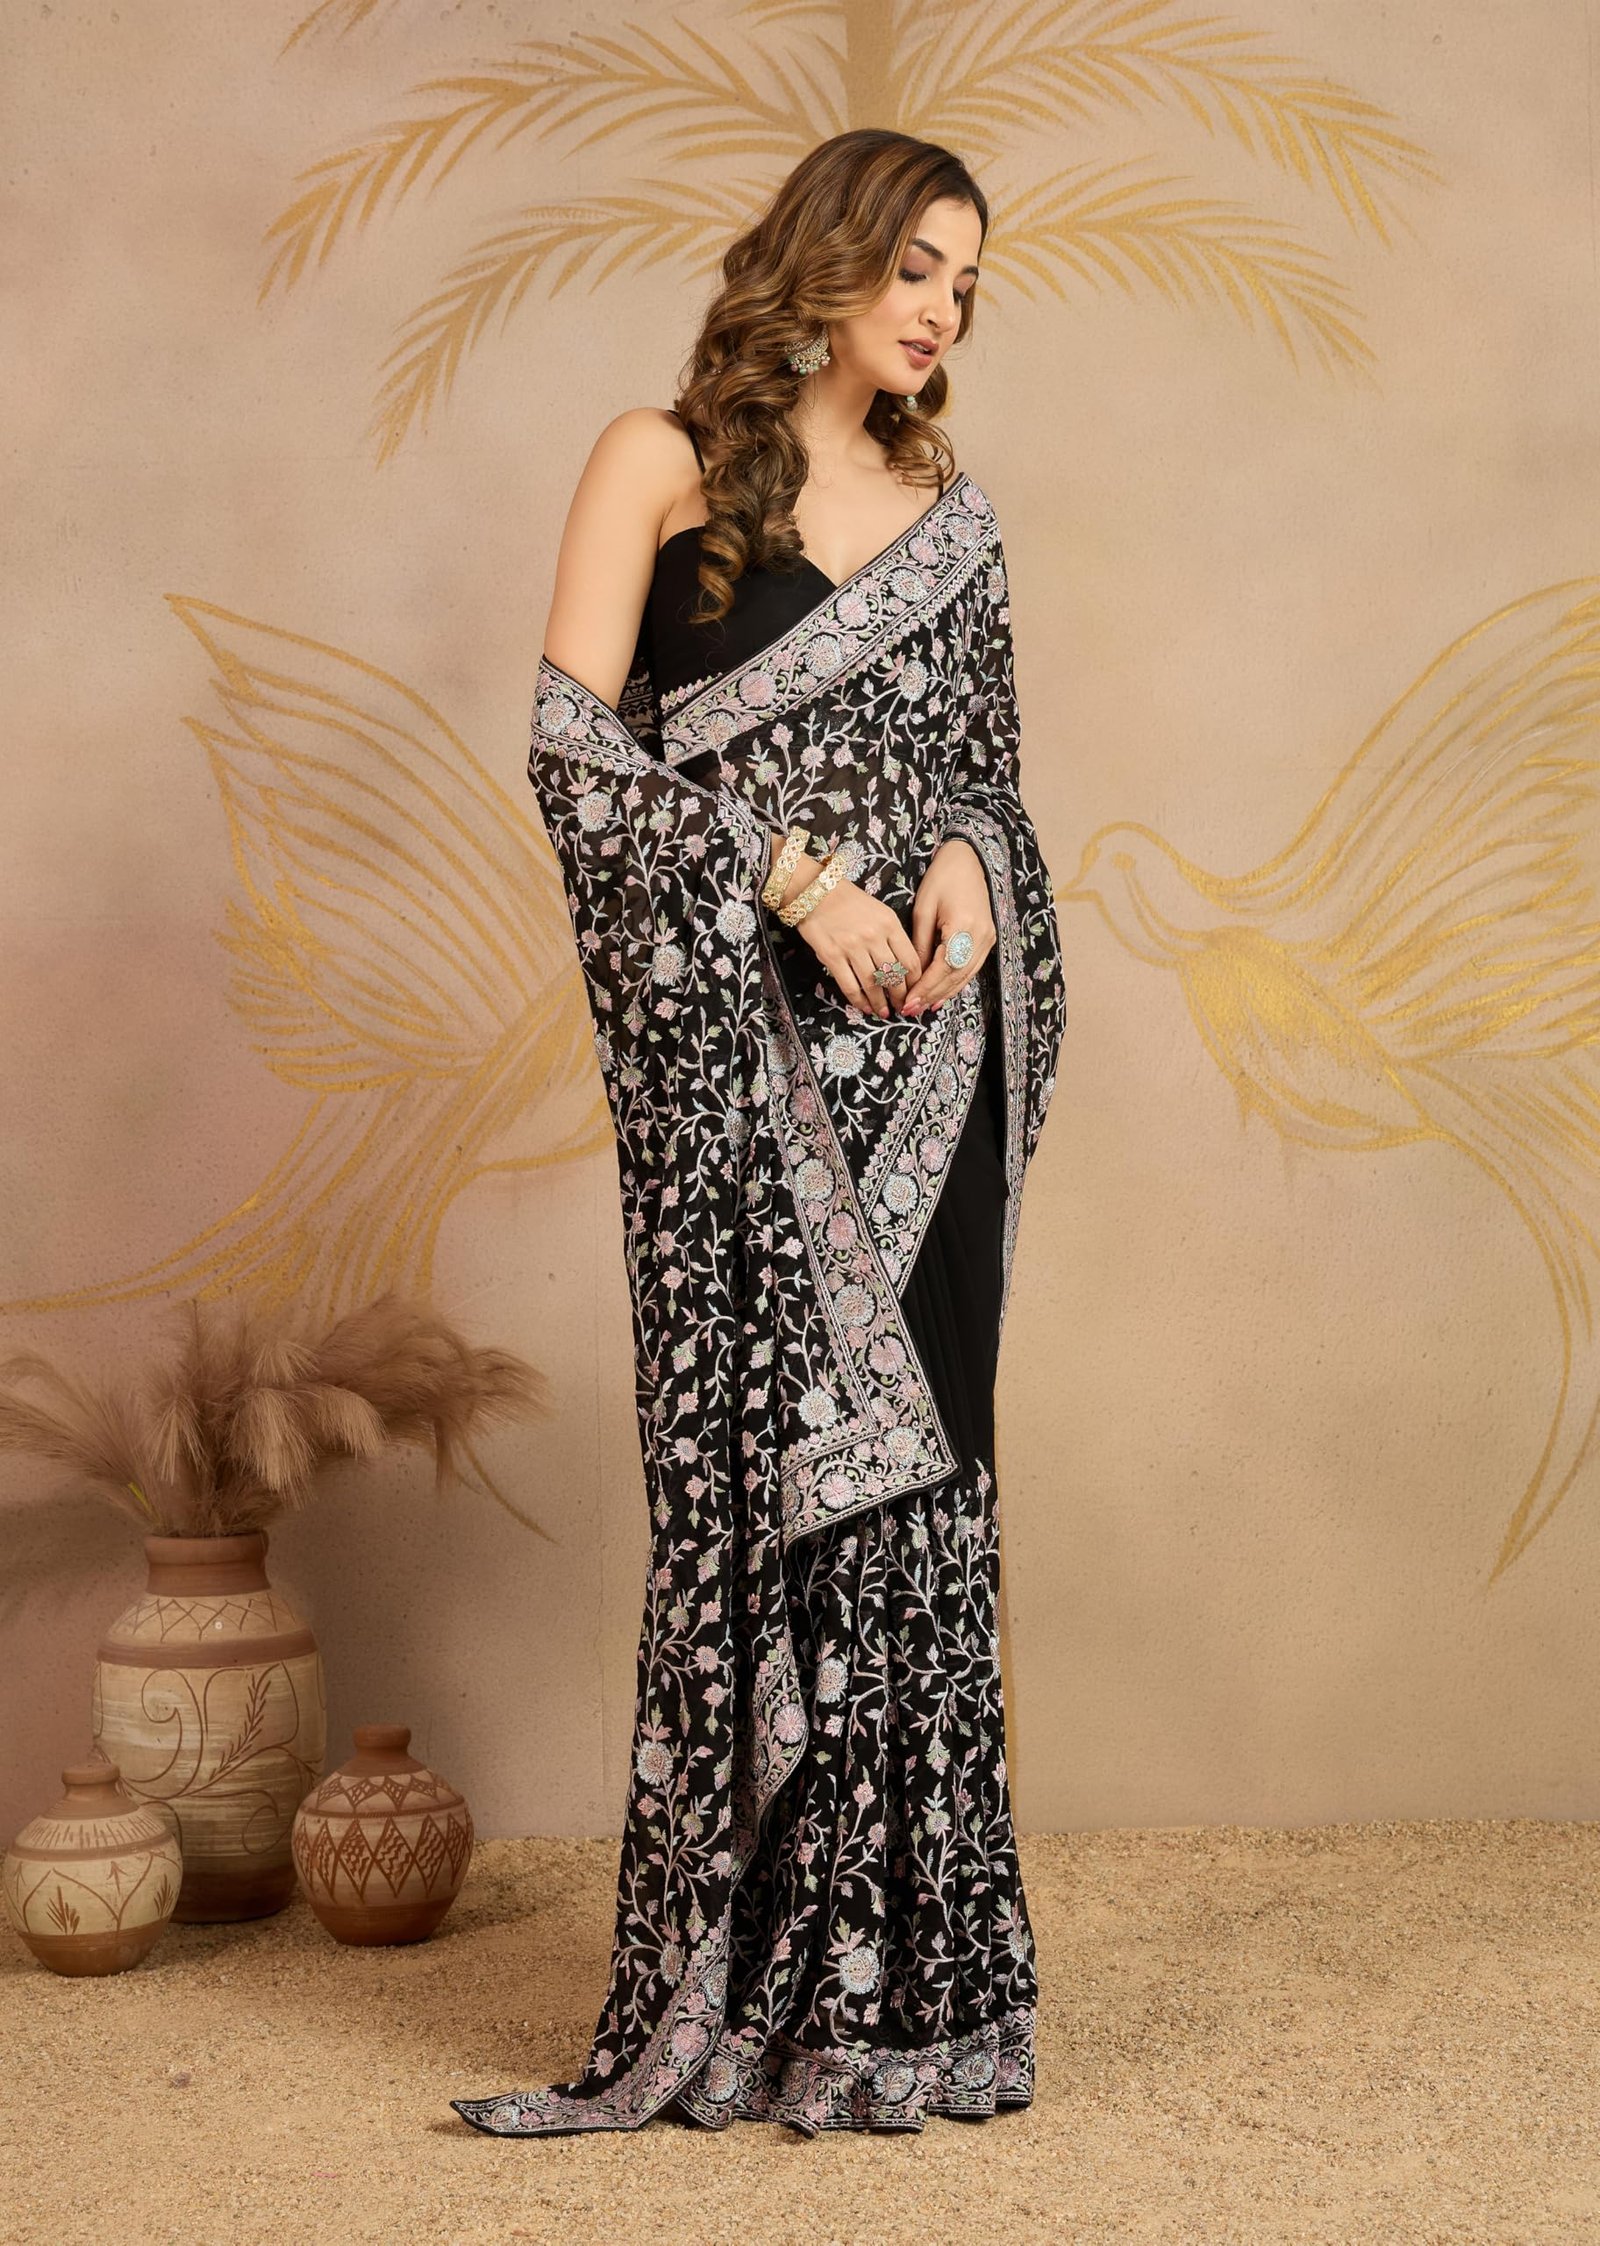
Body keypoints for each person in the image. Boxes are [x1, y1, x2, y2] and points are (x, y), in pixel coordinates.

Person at [452, 126, 1066, 2140]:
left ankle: (914, 2001)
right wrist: (794, 881)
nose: (939, 308)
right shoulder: (658, 463)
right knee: (764, 1492)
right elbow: (572, 751)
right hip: (739, 1064)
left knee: (915, 1502)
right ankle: (761, 1991)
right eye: (913, 264)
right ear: (824, 257)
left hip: (924, 1065)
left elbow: (987, 779)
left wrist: (966, 870)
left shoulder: (956, 523)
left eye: (964, 280)